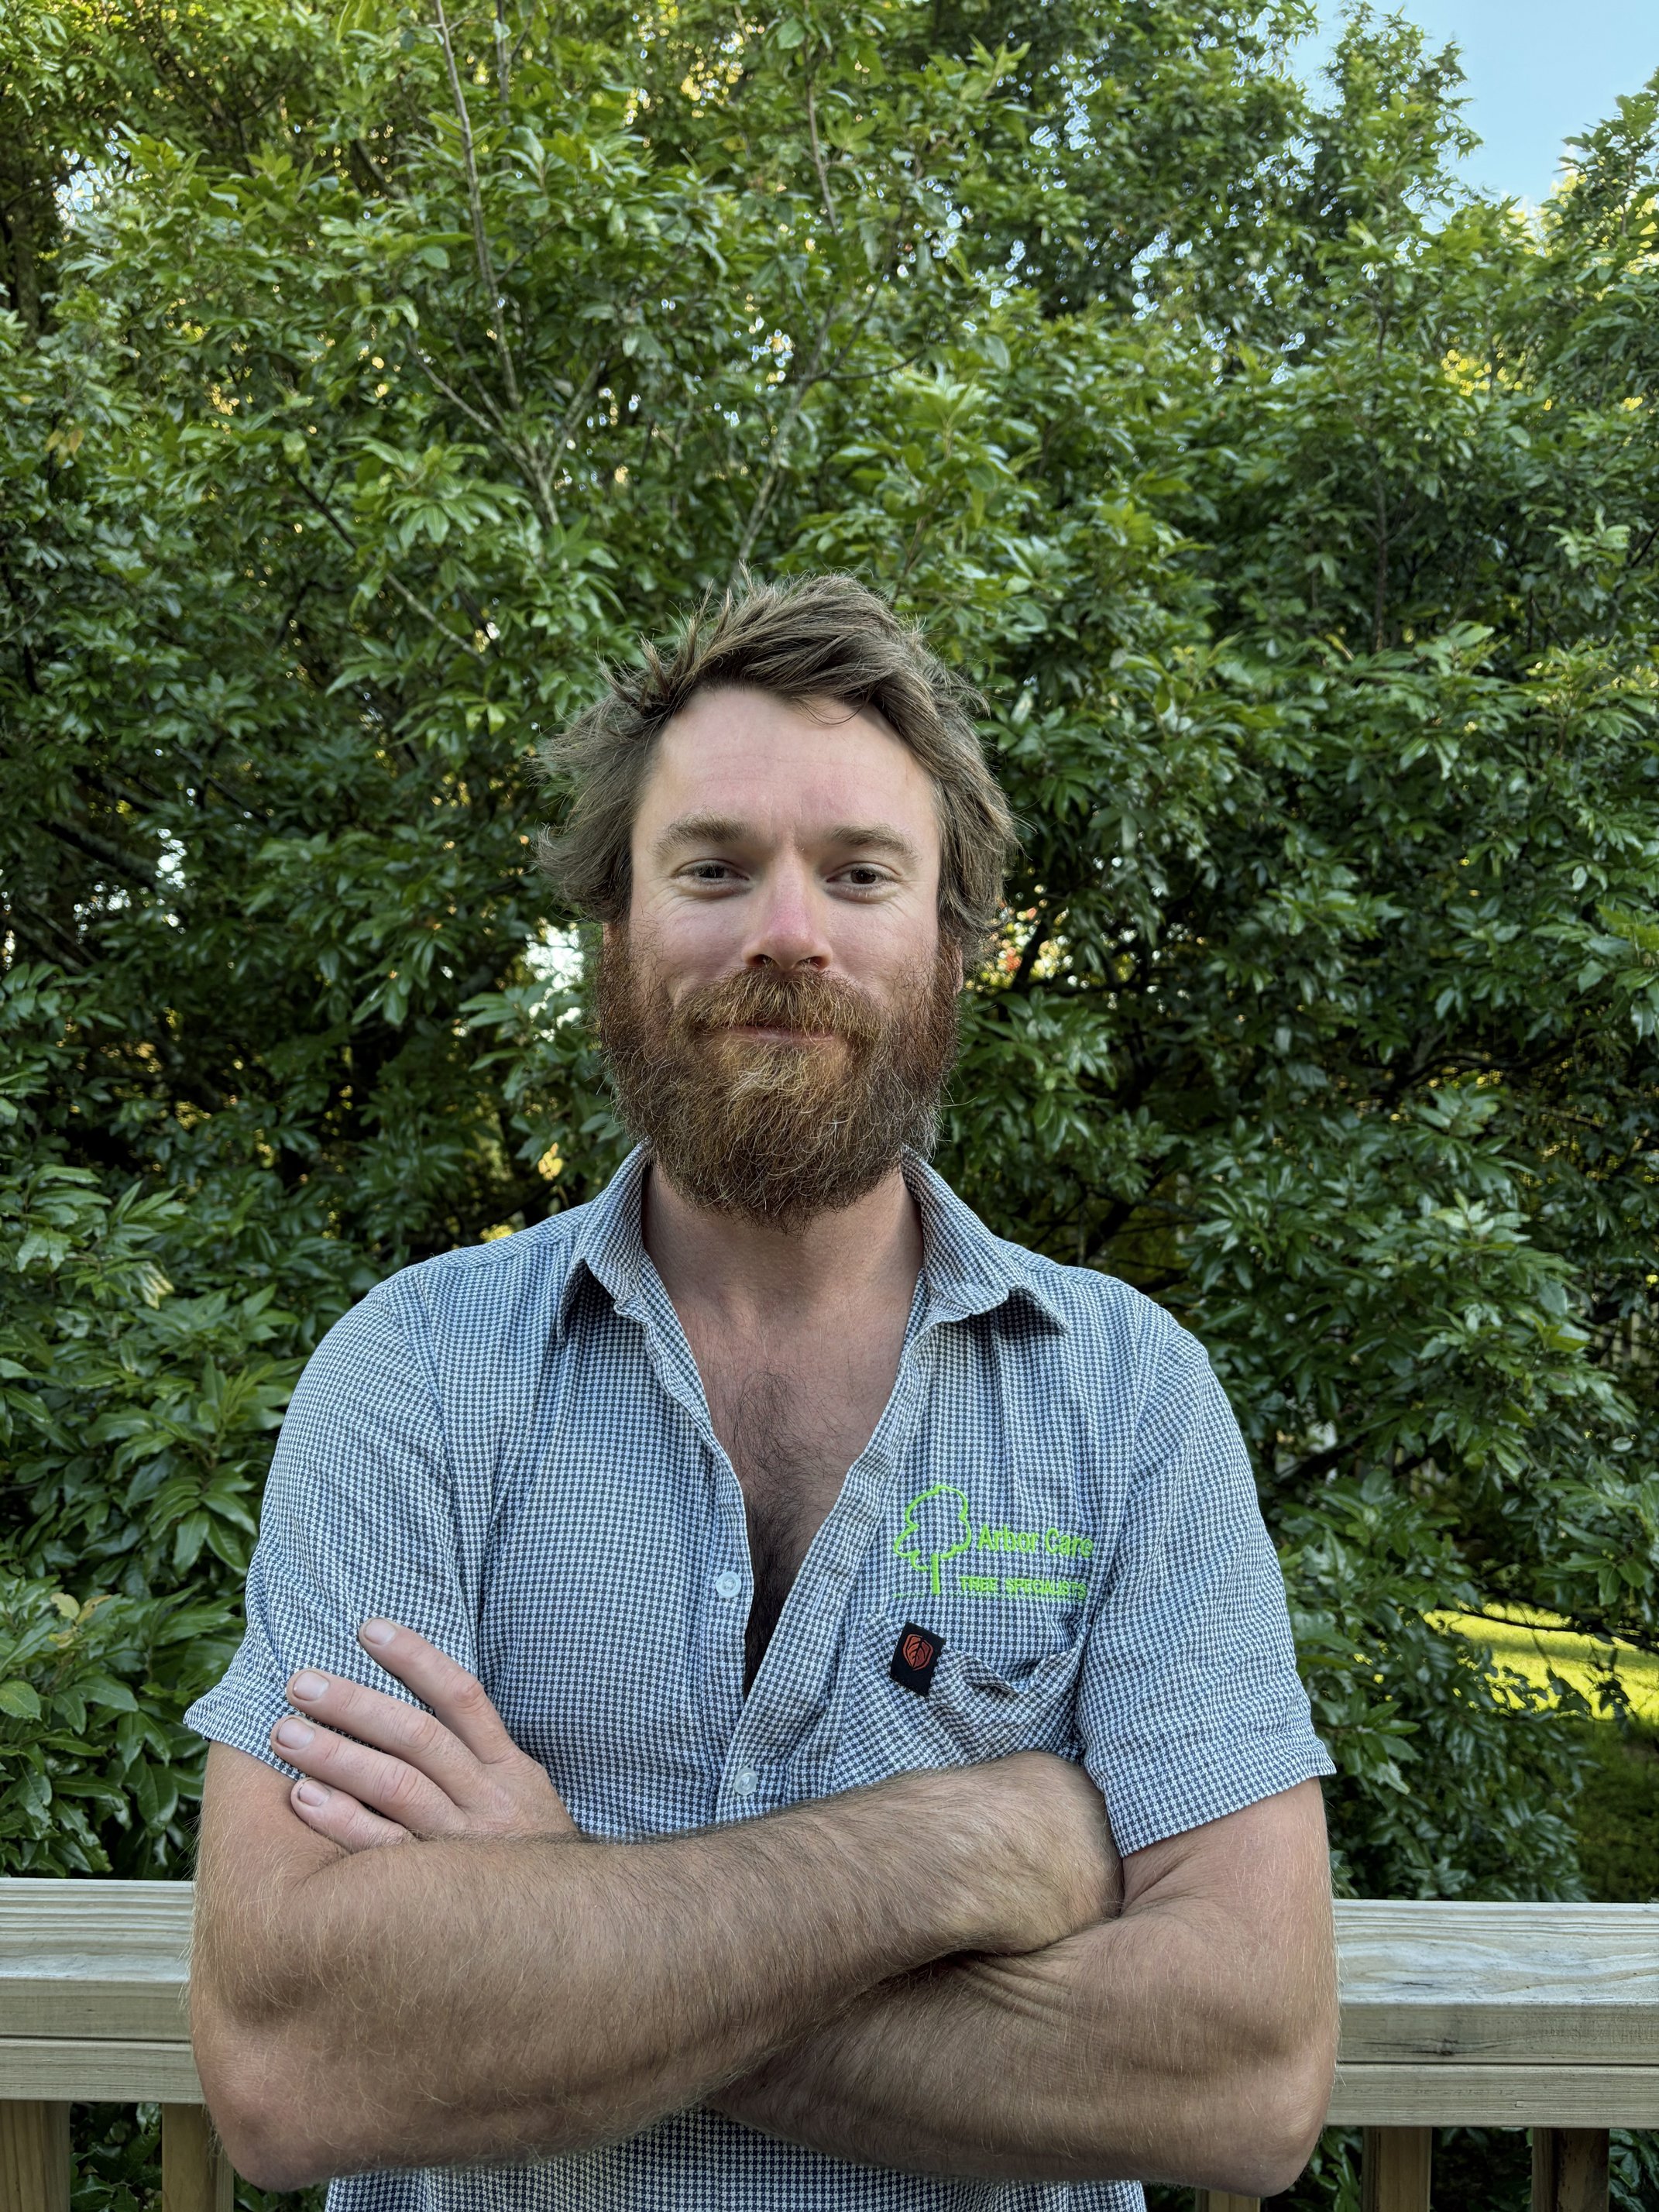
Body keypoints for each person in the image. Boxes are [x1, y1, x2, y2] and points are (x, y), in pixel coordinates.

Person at [186, 573, 1338, 2212]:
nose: (786, 933)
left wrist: (566, 1911)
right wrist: (959, 1849)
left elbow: (1242, 2078)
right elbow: (294, 2060)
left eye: (860, 875)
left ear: (953, 947)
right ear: (618, 933)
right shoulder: (415, 1377)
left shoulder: (1131, 1403)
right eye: (713, 868)